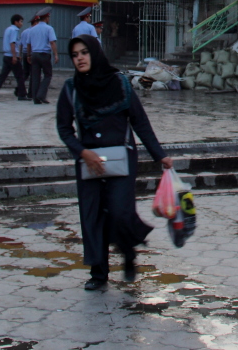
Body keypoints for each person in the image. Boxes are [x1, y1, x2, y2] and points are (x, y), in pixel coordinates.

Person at [57, 35, 173, 291]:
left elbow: (139, 121)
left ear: (95, 53)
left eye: (85, 52)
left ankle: (128, 253)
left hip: (122, 159)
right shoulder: (71, 88)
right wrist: (82, 152)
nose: (80, 58)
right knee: (92, 216)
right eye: (75, 55)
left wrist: (159, 154)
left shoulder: (120, 83)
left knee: (120, 212)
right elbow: (64, 129)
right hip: (89, 162)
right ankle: (98, 272)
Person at [0, 14, 26, 101]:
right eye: (20, 21)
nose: (21, 24)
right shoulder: (14, 30)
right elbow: (12, 43)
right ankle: (22, 94)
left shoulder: (8, 29)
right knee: (20, 75)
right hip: (11, 56)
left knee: (2, 76)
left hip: (6, 56)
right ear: (15, 22)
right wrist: (14, 56)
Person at [28, 7, 59, 105]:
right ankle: (41, 95)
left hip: (34, 54)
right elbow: (52, 42)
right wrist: (56, 55)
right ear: (46, 18)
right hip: (44, 54)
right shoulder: (49, 28)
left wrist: (29, 55)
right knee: (48, 75)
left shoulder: (32, 29)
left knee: (35, 76)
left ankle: (35, 98)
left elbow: (28, 44)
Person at [19, 15, 38, 99]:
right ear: (35, 22)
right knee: (33, 74)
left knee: (25, 73)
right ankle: (31, 93)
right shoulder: (34, 31)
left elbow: (20, 44)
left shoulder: (24, 32)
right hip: (31, 54)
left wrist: (20, 54)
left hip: (24, 53)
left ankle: (19, 88)